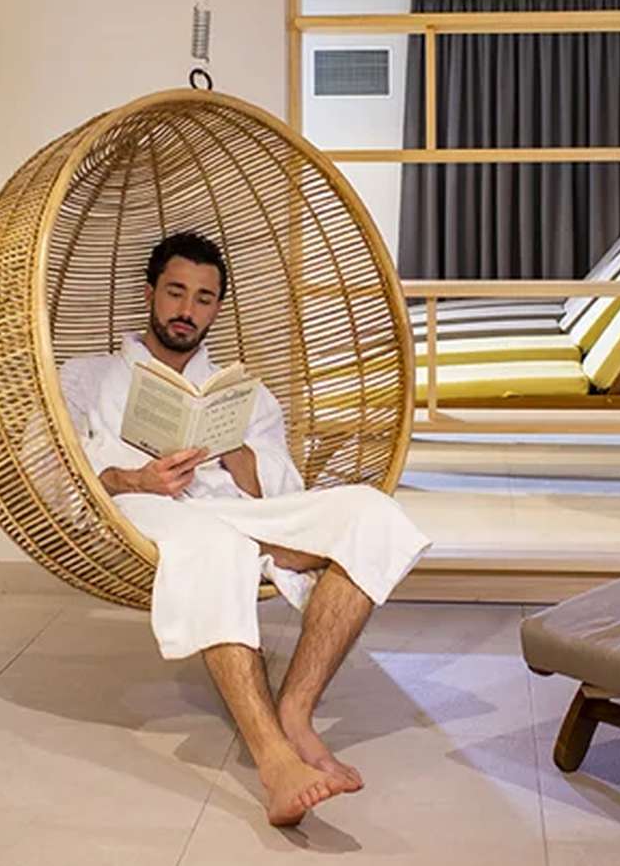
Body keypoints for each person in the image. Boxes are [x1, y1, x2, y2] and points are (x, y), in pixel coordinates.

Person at [58, 231, 432, 828]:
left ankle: (296, 713)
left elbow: (283, 483)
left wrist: (233, 449)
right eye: (175, 292)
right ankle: (275, 762)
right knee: (215, 544)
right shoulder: (86, 378)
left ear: (217, 309)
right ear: (150, 293)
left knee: (370, 514)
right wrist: (135, 478)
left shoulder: (243, 394)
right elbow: (57, 474)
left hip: (241, 511)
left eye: (204, 299)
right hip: (148, 512)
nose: (187, 310)